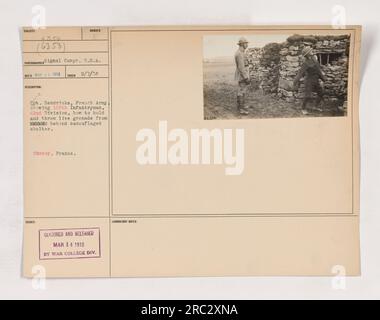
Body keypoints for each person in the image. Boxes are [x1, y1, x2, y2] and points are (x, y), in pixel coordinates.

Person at [293, 46, 327, 115]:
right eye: (310, 51)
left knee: (321, 93)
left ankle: (315, 106)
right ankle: (303, 108)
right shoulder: (305, 63)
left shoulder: (314, 60)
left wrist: (323, 79)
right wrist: (295, 82)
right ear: (308, 54)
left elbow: (318, 71)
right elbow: (300, 73)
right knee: (307, 96)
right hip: (309, 81)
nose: (312, 51)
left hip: (316, 80)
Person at [234, 37, 250, 115]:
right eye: (246, 43)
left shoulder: (242, 52)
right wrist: (246, 77)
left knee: (243, 91)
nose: (247, 45)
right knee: (241, 91)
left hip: (243, 75)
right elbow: (241, 67)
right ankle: (241, 109)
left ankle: (241, 106)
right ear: (242, 44)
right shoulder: (239, 53)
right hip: (242, 76)